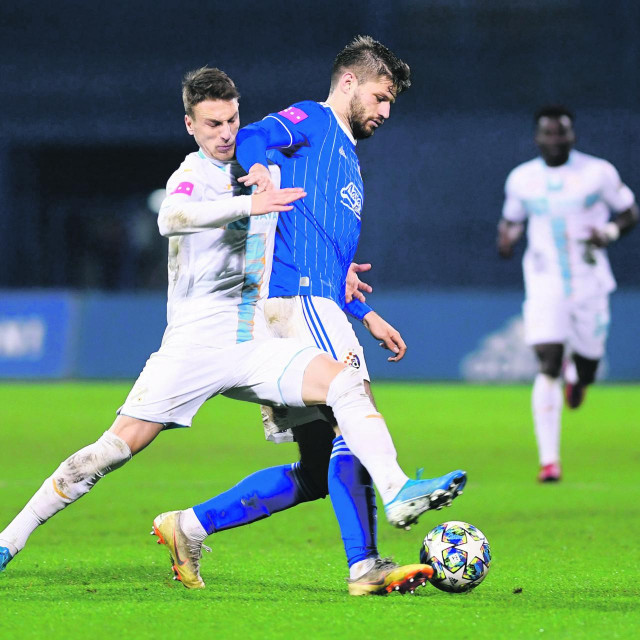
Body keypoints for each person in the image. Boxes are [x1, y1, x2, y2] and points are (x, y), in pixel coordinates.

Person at [0, 65, 464, 594]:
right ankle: (9, 540)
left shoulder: (258, 168)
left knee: (343, 385)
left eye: (232, 120)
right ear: (190, 125)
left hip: (254, 344)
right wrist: (250, 203)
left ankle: (394, 491)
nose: (225, 133)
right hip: (192, 349)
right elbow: (169, 219)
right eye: (213, 123)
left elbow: (292, 252)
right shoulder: (193, 174)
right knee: (108, 452)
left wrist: (349, 292)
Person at [153, 36, 466, 594]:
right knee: (354, 403)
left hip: (316, 301)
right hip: (299, 303)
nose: (386, 111)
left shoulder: (344, 156)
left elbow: (324, 252)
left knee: (318, 471)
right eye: (381, 96)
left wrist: (363, 311)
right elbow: (253, 136)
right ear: (350, 83)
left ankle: (189, 525)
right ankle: (371, 549)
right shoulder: (316, 122)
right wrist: (259, 174)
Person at [497, 104, 638, 482]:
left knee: (589, 364)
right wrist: (507, 239)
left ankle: (580, 378)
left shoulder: (597, 172)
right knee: (547, 360)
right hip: (545, 281)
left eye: (562, 133)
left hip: (590, 281)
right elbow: (511, 222)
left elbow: (629, 212)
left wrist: (608, 233)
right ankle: (549, 461)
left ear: (572, 136)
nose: (555, 140)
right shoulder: (522, 179)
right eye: (549, 133)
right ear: (537, 137)